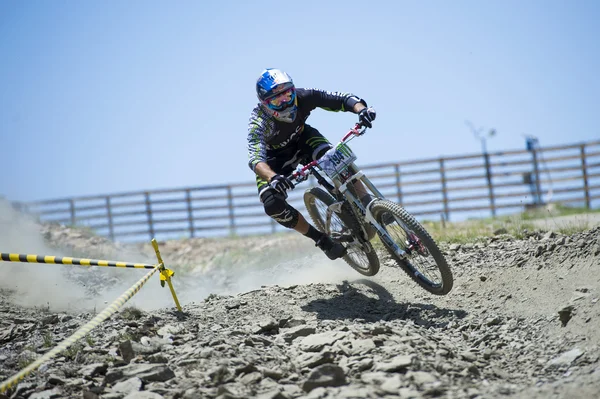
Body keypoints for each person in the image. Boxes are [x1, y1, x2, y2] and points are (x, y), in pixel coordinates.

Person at [247, 68, 377, 260]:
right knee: (272, 205)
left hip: (304, 139)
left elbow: (339, 98)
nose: (285, 103)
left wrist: (362, 110)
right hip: (275, 161)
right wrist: (272, 177)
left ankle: (369, 204)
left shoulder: (303, 96)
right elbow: (255, 159)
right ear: (265, 105)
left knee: (334, 157)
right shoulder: (259, 122)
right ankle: (321, 240)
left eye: (287, 95)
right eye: (277, 100)